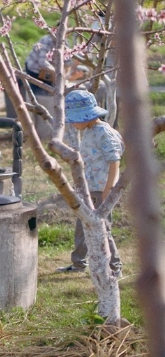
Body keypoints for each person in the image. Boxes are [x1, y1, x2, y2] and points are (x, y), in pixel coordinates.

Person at [56, 90, 123, 277]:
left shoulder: (104, 132)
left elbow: (114, 160)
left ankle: (114, 267)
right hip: (88, 188)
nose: (73, 123)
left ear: (87, 116)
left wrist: (109, 189)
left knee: (102, 229)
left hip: (101, 189)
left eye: (75, 119)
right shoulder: (90, 130)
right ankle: (78, 263)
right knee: (82, 225)